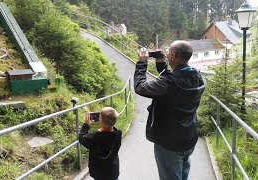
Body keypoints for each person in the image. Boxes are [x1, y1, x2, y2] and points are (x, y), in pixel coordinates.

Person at [134, 40, 205, 180]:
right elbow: (176, 79)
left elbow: (140, 87)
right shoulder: (197, 76)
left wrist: (142, 62)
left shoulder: (169, 82)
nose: (166, 53)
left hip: (169, 143)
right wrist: (161, 64)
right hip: (188, 138)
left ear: (172, 55)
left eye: (168, 51)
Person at [79, 107, 122, 180]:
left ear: (100, 121)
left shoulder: (94, 137)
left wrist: (86, 125)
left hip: (99, 173)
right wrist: (105, 125)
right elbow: (111, 128)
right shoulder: (118, 134)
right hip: (112, 172)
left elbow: (82, 138)